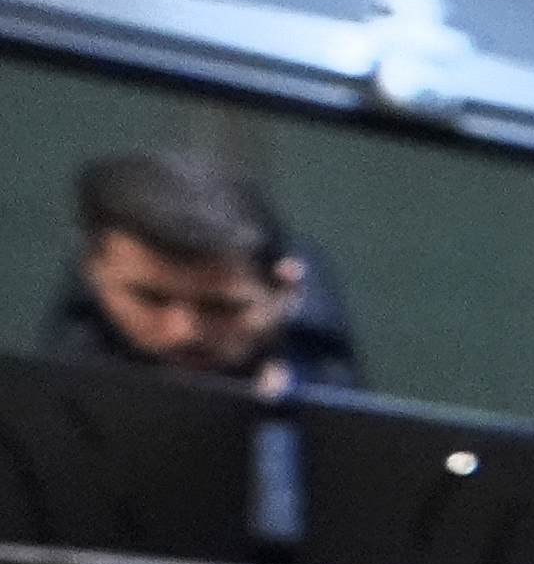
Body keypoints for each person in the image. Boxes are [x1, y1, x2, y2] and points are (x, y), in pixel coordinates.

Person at [39, 152, 362, 395]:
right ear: (92, 271)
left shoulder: (322, 388)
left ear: (285, 289)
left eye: (221, 308)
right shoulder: (59, 385)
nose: (183, 332)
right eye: (149, 298)